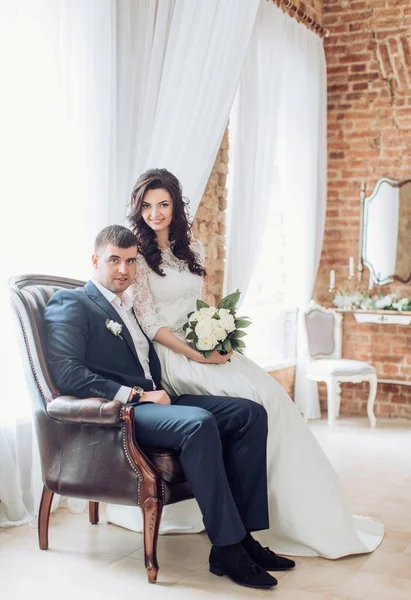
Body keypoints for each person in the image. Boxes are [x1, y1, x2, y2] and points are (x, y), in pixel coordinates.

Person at [106, 168, 384, 559]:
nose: (156, 213)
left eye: (164, 204)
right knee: (253, 401)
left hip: (203, 343)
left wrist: (215, 333)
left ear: (175, 205)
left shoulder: (194, 248)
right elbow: (151, 323)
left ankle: (300, 515)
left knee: (272, 397)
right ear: (139, 208)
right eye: (148, 206)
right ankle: (243, 529)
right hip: (174, 354)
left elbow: (196, 305)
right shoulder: (137, 254)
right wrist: (197, 354)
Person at [43, 224, 297, 590]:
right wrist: (135, 396)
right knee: (198, 424)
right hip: (125, 412)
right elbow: (67, 373)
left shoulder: (130, 304)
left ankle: (244, 538)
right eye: (114, 260)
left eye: (130, 262)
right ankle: (227, 548)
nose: (123, 270)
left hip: (159, 398)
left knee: (249, 413)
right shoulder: (73, 303)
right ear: (95, 260)